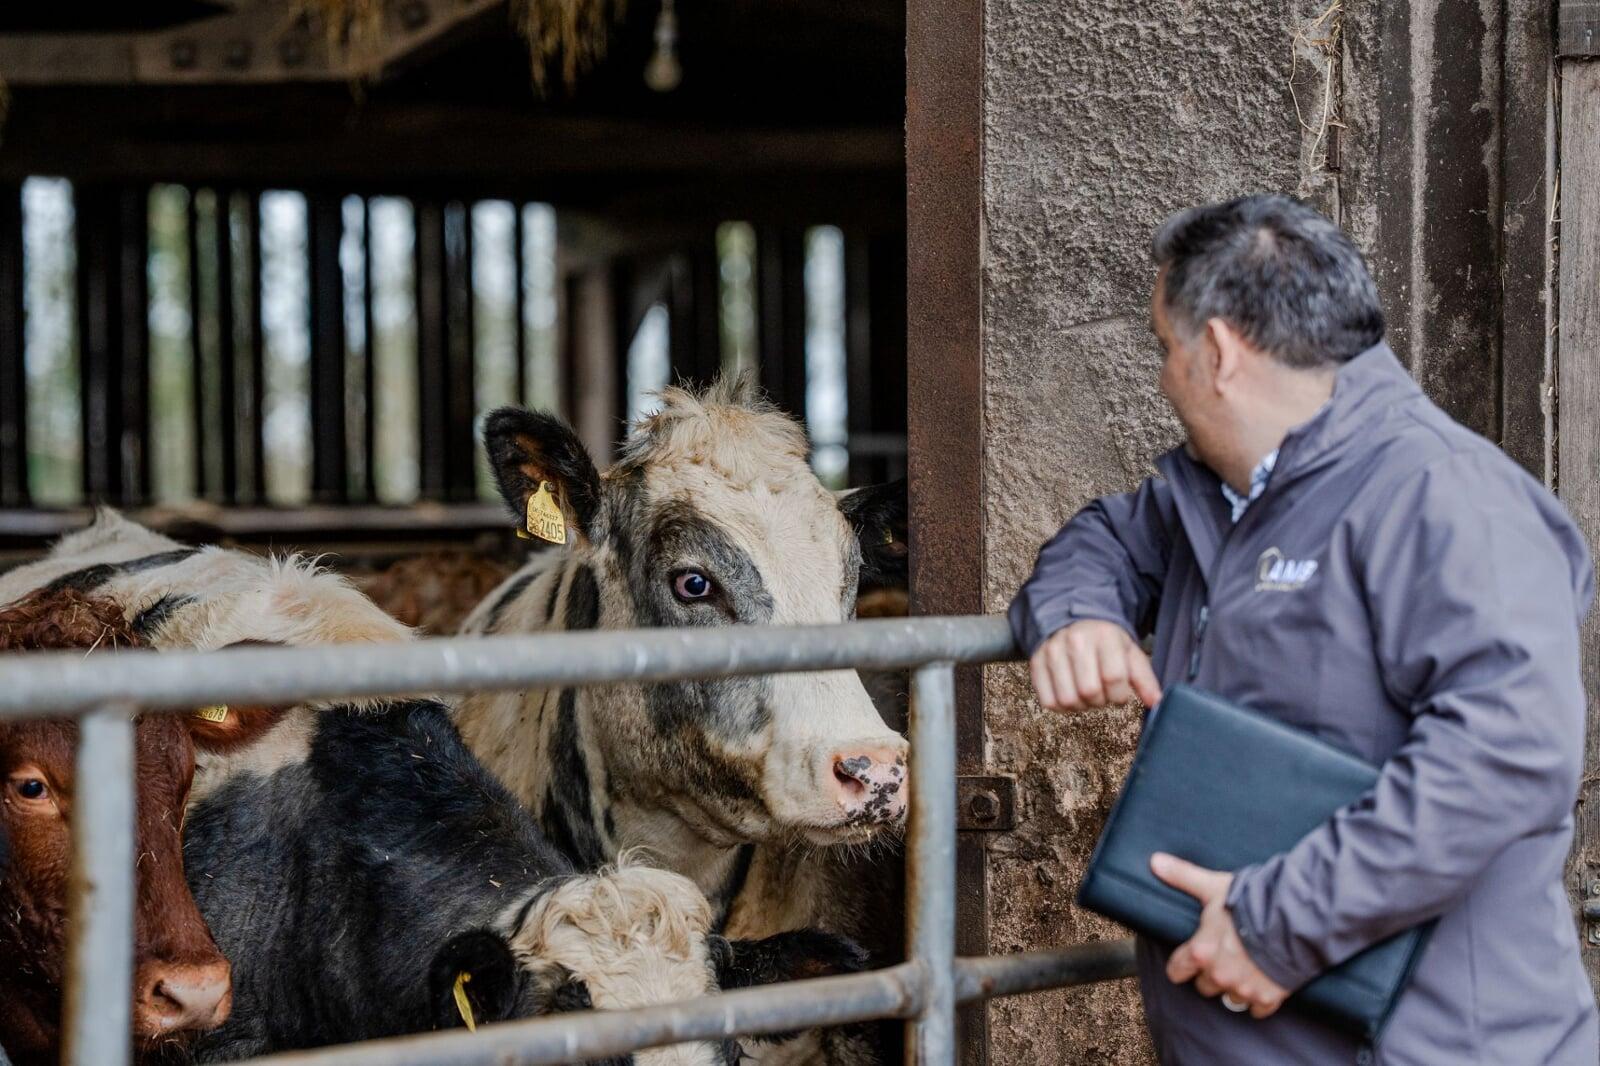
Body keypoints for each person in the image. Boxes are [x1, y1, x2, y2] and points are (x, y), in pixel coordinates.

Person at [1009, 193, 1600, 1064]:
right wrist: (1076, 619)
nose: (1165, 377)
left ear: (1216, 353)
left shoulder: (1445, 497)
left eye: (1164, 350)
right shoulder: (1221, 497)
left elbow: (1506, 754)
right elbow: (1101, 540)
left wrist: (1278, 925)